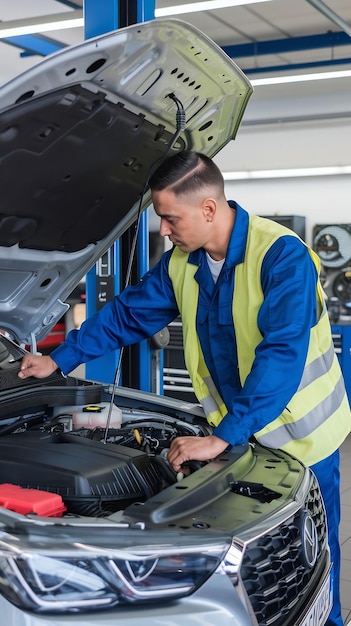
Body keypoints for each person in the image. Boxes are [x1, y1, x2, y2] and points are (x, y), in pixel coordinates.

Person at [18, 150, 350, 625]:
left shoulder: (281, 256)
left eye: (171, 219)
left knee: (313, 552)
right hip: (240, 437)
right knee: (256, 561)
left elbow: (281, 355)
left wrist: (221, 436)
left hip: (304, 438)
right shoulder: (183, 262)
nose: (165, 231)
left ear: (209, 209)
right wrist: (59, 358)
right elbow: (129, 314)